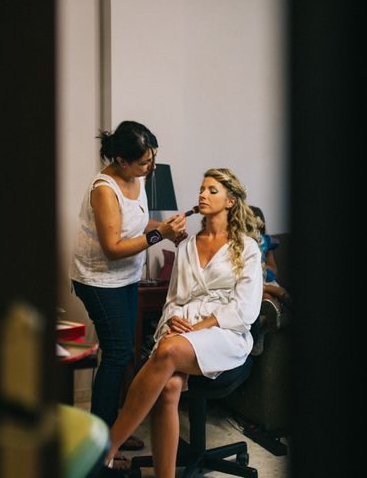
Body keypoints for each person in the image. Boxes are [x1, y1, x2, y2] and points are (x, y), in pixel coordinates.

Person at [103, 168, 263, 477]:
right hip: (183, 333)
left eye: (212, 190)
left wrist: (201, 327)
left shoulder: (247, 248)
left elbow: (245, 310)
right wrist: (173, 321)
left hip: (225, 334)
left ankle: (107, 448)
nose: (202, 194)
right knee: (169, 387)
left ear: (230, 200)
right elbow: (173, 301)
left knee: (168, 351)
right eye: (201, 189)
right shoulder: (187, 245)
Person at [69, 120, 187, 463]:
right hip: (98, 279)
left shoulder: (137, 178)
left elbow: (135, 224)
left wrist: (166, 229)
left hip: (127, 278)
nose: (150, 167)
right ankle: (100, 445)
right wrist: (159, 235)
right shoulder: (104, 188)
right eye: (143, 162)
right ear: (121, 161)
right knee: (118, 353)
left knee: (130, 352)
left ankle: (116, 431)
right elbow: (113, 247)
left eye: (152, 159)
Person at [249, 206, 292, 355]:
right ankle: (265, 325)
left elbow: (274, 270)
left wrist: (262, 265)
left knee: (269, 299)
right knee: (267, 298)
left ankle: (270, 323)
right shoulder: (238, 245)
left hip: (266, 281)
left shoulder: (266, 242)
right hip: (252, 285)